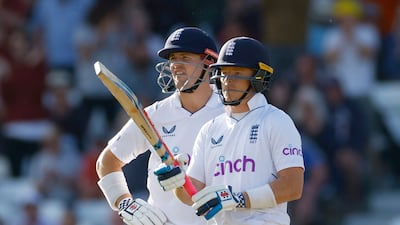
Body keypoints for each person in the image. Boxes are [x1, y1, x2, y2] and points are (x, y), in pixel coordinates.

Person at [155, 37, 305, 224]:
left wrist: (238, 199)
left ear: (258, 77)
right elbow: (192, 194)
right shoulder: (210, 129)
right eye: (224, 72)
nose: (227, 80)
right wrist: (178, 181)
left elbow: (293, 186)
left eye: (237, 72)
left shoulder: (276, 120)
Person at [96, 27, 224, 225]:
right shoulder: (155, 114)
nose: (176, 66)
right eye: (173, 59)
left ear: (209, 62)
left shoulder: (230, 114)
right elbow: (107, 162)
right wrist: (125, 204)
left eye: (185, 58)